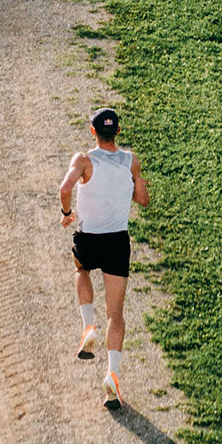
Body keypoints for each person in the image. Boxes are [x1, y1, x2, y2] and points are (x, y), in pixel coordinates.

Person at [59, 108, 149, 409]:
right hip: (117, 241)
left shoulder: (84, 160)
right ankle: (112, 375)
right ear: (118, 132)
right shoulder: (131, 161)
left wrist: (67, 213)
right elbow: (143, 200)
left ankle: (88, 327)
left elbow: (65, 189)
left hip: (89, 238)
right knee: (117, 314)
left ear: (92, 131)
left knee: (81, 270)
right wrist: (129, 186)